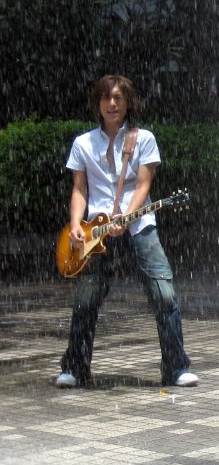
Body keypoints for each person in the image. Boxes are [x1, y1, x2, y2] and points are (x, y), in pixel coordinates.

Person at [55, 75, 198, 389]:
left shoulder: (142, 138)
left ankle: (176, 367)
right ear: (98, 103)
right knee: (86, 299)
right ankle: (75, 367)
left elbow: (144, 184)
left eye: (118, 98)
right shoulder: (83, 143)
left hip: (139, 225)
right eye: (107, 98)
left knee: (164, 293)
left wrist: (128, 216)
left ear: (128, 103)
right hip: (95, 230)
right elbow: (79, 189)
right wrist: (77, 224)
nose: (112, 104)